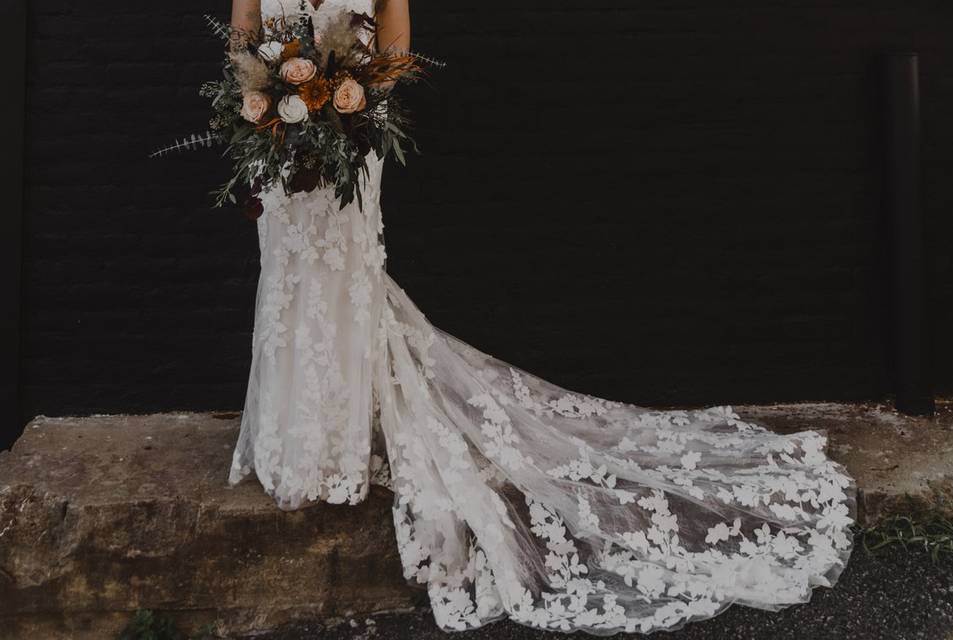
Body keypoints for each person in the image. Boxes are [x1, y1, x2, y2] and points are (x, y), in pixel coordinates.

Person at [225, 0, 858, 634]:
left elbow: (395, 60)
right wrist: (270, 109)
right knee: (289, 278)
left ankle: (342, 438)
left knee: (345, 277)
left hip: (351, 144)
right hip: (280, 151)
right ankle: (294, 436)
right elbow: (242, 46)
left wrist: (350, 104)